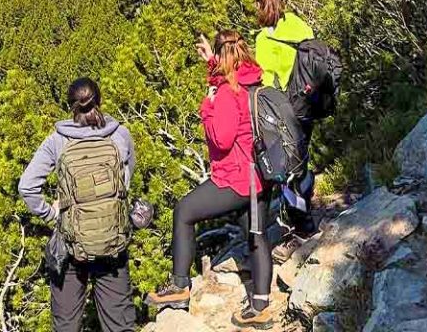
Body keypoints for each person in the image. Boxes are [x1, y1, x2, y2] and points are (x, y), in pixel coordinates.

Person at [146, 31, 275, 330]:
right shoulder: (250, 79)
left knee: (184, 212)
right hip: (259, 178)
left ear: (223, 55)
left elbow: (222, 138)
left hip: (235, 178)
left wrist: (207, 110)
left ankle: (179, 287)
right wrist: (212, 64)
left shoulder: (229, 93)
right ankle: (260, 306)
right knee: (255, 236)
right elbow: (226, 76)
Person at [18, 77, 136, 332]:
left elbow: (27, 187)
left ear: (71, 107)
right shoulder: (120, 135)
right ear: (99, 100)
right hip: (112, 240)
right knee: (120, 324)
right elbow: (125, 182)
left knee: (66, 324)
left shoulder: (57, 141)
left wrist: (53, 214)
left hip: (70, 245)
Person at [253, 0, 317, 257]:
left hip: (284, 110)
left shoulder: (264, 39)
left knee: (289, 170)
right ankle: (301, 219)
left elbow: (265, 82)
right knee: (300, 160)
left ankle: (304, 228)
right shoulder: (299, 25)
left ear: (258, 4)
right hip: (309, 104)